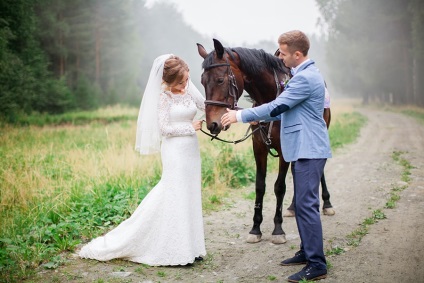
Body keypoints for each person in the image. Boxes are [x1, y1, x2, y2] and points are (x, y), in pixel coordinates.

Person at [221, 30, 331, 282]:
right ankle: (306, 251)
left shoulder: (304, 79)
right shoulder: (301, 75)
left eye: (282, 52)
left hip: (309, 148)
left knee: (306, 206)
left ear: (297, 54)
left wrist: (239, 116)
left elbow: (277, 105)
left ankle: (317, 264)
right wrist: (252, 114)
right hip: (303, 148)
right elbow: (282, 112)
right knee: (304, 206)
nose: (279, 57)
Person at [79, 54, 206, 266]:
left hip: (191, 150)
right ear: (167, 81)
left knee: (190, 193)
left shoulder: (188, 86)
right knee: (174, 192)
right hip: (174, 151)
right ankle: (176, 250)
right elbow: (164, 129)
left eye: (187, 78)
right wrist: (190, 127)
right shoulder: (164, 98)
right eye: (181, 81)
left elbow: (205, 104)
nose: (185, 84)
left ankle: (192, 247)